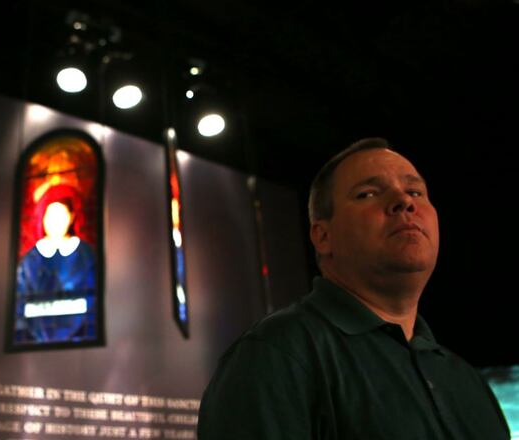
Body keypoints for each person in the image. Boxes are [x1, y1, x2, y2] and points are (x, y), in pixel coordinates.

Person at [198, 138, 509, 439]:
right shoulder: (276, 355)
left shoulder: (468, 381)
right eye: (368, 194)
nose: (404, 201)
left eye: (415, 191)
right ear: (323, 237)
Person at [14, 184, 96, 343]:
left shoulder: (86, 255)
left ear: (71, 217)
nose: (55, 221)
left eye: (61, 214)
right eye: (50, 215)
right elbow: (20, 302)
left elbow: (94, 303)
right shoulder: (30, 260)